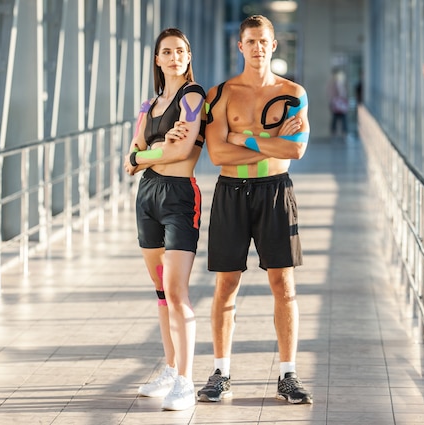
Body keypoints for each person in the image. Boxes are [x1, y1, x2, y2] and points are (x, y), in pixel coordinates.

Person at [196, 15, 312, 405]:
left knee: (284, 284)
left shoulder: (294, 92)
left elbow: (295, 150)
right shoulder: (221, 94)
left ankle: (288, 374)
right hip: (231, 192)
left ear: (274, 45)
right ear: (240, 46)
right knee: (226, 284)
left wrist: (242, 136)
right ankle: (221, 372)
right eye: (251, 41)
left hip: (276, 192)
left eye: (264, 41)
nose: (258, 48)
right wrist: (268, 140)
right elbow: (216, 153)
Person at [123, 27, 206, 411]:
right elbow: (131, 156)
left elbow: (182, 151)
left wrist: (147, 154)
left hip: (178, 198)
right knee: (160, 292)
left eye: (181, 51)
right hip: (148, 199)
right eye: (167, 52)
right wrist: (154, 149)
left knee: (177, 291)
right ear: (157, 59)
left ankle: (186, 380)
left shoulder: (193, 96)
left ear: (188, 57)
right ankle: (170, 369)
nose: (175, 57)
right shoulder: (149, 106)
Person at [328, 68, 349, 136]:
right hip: (338, 103)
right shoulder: (337, 83)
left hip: (336, 103)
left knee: (337, 118)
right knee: (340, 118)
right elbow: (341, 93)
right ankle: (341, 132)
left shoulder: (334, 82)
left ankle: (336, 132)